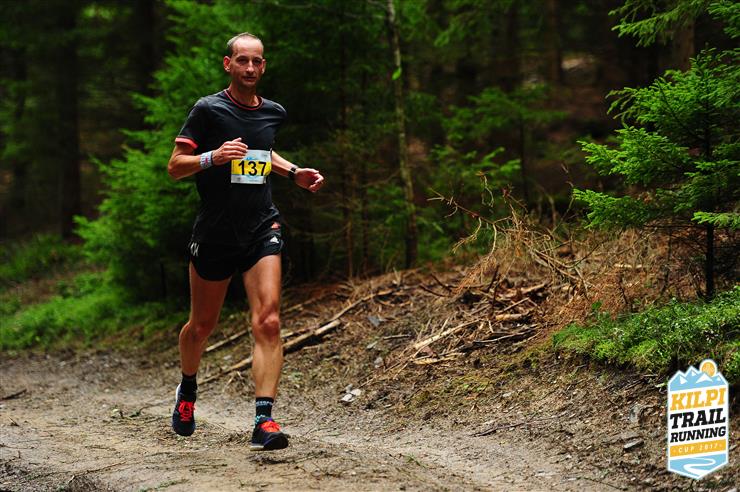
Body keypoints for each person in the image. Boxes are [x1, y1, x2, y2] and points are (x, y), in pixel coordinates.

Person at [166, 32, 324, 451]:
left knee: (268, 320)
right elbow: (175, 166)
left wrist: (294, 173)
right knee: (201, 326)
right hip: (216, 232)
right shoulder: (207, 109)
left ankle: (263, 420)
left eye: (257, 61)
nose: (250, 68)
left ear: (263, 66)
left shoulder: (273, 112)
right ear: (228, 64)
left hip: (260, 226)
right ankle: (187, 389)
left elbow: (263, 153)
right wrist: (213, 157)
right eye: (242, 60)